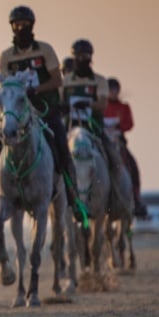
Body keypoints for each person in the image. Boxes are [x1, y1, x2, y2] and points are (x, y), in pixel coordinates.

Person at [0, 5, 85, 222]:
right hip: (19, 114)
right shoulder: (5, 57)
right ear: (12, 27)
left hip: (46, 111)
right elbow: (0, 89)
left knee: (62, 148)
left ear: (32, 26)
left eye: (25, 24)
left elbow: (57, 79)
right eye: (17, 25)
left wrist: (35, 89)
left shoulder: (45, 50)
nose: (21, 28)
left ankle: (73, 198)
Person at [62, 39, 134, 210]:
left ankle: (116, 197)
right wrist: (64, 106)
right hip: (69, 129)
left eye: (86, 55)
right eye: (79, 55)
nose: (82, 59)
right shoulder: (65, 81)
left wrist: (86, 104)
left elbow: (102, 103)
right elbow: (58, 101)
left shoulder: (99, 81)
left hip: (93, 128)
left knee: (115, 159)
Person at [104, 78, 147, 217]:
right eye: (110, 89)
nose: (112, 92)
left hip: (118, 142)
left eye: (115, 90)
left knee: (132, 165)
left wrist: (118, 127)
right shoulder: (100, 106)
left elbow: (129, 124)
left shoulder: (123, 107)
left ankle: (136, 198)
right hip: (103, 141)